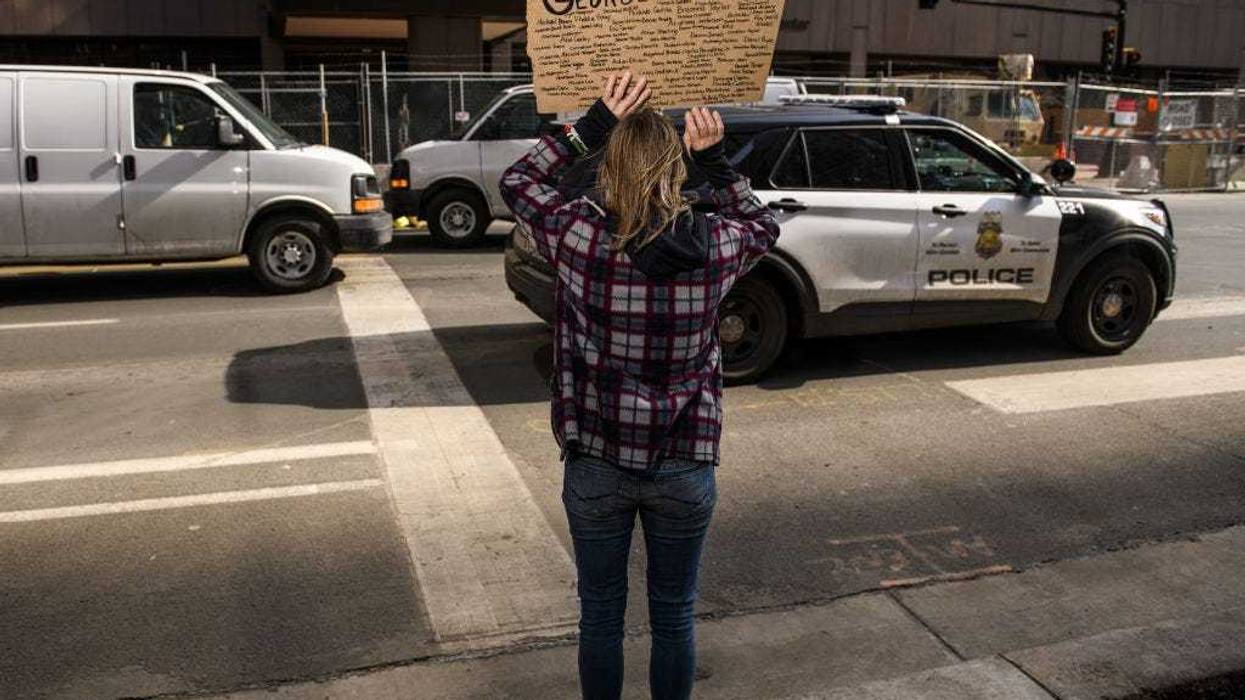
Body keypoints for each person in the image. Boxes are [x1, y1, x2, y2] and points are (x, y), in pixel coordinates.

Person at [499, 72, 780, 700]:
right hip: (684, 466)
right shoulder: (716, 248)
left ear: (613, 165)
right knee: (674, 615)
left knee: (599, 614)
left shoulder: (579, 235)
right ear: (674, 170)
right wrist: (713, 164)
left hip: (596, 459)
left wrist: (592, 124)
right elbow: (763, 225)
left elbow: (518, 182)